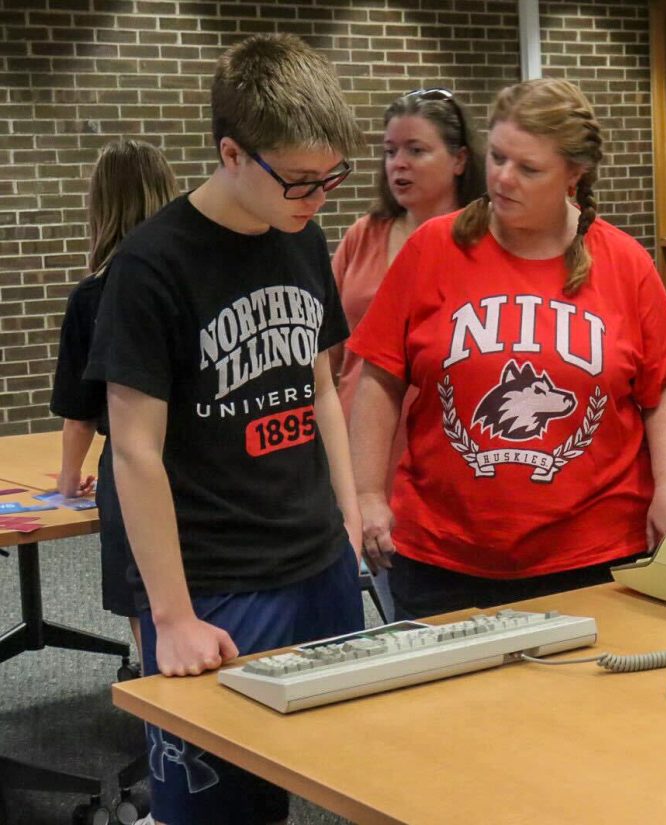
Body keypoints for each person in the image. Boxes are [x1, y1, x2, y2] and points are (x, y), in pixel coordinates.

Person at [84, 34, 364, 825]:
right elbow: (133, 449)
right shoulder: (151, 266)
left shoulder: (303, 239)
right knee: (221, 810)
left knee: (359, 775)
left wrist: (346, 517)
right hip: (213, 581)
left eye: (330, 177)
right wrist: (170, 615)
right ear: (232, 153)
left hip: (316, 561)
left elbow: (321, 388)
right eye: (301, 181)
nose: (318, 199)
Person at [348, 78, 666, 620]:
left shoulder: (624, 262)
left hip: (595, 550)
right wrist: (368, 492)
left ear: (574, 176)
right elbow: (379, 378)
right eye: (497, 158)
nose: (503, 178)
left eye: (528, 168)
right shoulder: (433, 249)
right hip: (445, 554)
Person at [50, 139, 178, 662]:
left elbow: (81, 412)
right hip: (202, 458)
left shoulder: (95, 294)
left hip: (133, 465)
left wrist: (65, 478)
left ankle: (165, 729)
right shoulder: (187, 278)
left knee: (151, 606)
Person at [330, 88, 484, 486]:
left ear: (459, 159)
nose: (398, 164)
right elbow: (325, 354)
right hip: (358, 459)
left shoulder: (486, 243)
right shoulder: (364, 235)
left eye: (416, 150)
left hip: (445, 459)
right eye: (389, 151)